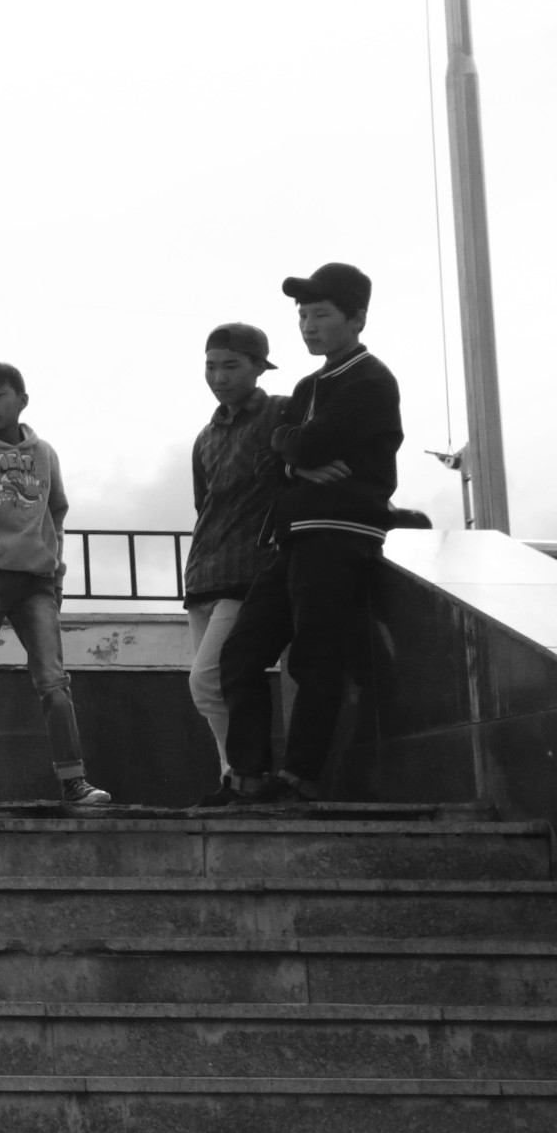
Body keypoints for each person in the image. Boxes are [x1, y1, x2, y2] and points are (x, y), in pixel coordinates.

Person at [218, 263, 403, 802]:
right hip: (294, 533)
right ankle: (248, 775)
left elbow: (306, 445)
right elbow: (280, 458)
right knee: (241, 653)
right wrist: (292, 453)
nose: (307, 325)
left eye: (320, 314)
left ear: (357, 317)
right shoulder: (307, 385)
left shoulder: (371, 379)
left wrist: (293, 448)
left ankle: (299, 778)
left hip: (340, 532)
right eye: (301, 315)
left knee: (314, 656)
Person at [0, 362, 110, 809]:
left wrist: (55, 572)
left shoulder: (45, 454)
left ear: (22, 399)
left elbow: (57, 511)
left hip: (35, 581)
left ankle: (74, 781)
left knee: (54, 682)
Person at [182, 322, 288, 795]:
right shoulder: (205, 437)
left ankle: (243, 779)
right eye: (210, 366)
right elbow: (204, 504)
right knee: (212, 691)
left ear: (258, 368)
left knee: (207, 682)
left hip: (251, 572)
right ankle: (230, 779)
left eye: (230, 366)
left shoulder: (280, 416)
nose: (218, 376)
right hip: (203, 572)